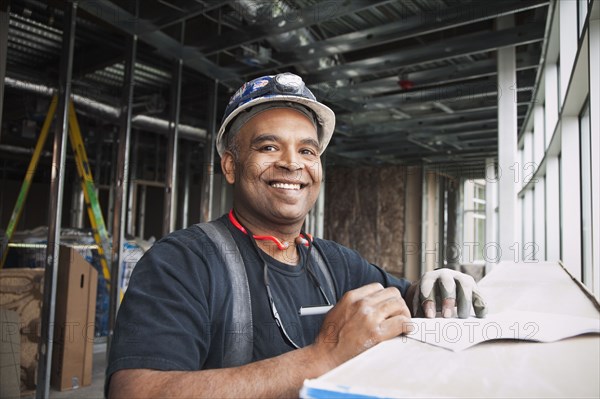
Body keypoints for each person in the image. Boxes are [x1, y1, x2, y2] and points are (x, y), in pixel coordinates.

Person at [106, 72, 486, 398]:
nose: (292, 163)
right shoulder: (182, 263)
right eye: (269, 146)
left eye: (308, 150)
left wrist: (435, 287)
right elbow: (137, 392)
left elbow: (406, 299)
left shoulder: (335, 263)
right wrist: (323, 358)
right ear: (230, 166)